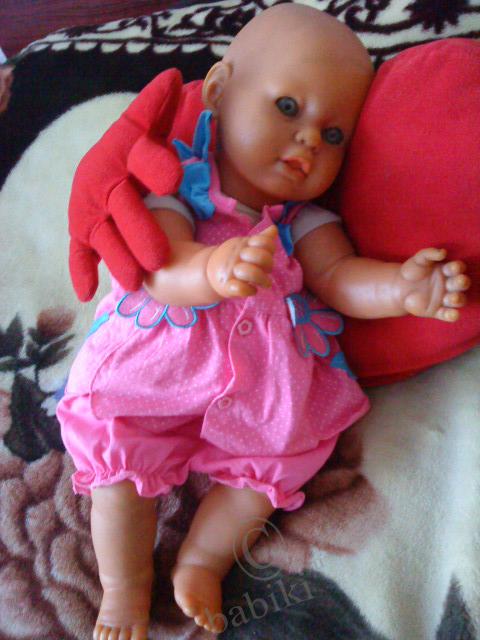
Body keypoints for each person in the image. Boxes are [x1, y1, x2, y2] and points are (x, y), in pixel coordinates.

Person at [56, 5, 470, 639]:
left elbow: (340, 278)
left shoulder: (302, 221)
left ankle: (202, 559)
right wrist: (212, 269)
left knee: (277, 462)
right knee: (119, 466)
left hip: (262, 386)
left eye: (334, 135)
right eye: (287, 107)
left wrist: (402, 288)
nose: (309, 140)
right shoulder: (178, 181)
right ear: (220, 91)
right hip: (154, 368)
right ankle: (124, 588)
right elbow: (157, 267)